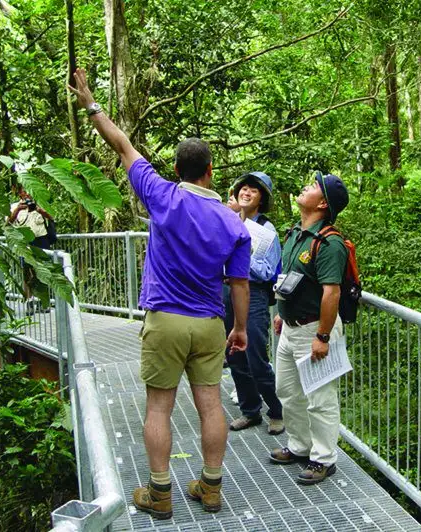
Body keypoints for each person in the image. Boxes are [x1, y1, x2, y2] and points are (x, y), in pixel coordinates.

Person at [69, 68, 252, 519]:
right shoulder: (234, 222)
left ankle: (160, 493)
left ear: (176, 169)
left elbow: (121, 144)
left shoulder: (161, 194)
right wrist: (240, 328)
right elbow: (240, 283)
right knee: (211, 404)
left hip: (165, 319)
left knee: (159, 406)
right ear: (212, 172)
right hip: (210, 323)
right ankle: (211, 488)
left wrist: (91, 102)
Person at [269, 171, 349, 485]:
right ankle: (300, 446)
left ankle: (324, 459)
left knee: (320, 398)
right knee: (287, 391)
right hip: (289, 328)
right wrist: (280, 313)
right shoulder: (295, 235)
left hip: (315, 329)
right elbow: (290, 279)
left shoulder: (330, 243)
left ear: (323, 204)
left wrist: (323, 336)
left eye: (314, 186)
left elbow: (332, 292)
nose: (307, 186)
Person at [223, 172, 284, 434]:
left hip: (254, 295)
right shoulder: (229, 222)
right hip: (227, 293)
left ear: (262, 199)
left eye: (253, 190)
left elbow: (268, 271)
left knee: (257, 357)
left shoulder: (267, 231)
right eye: (243, 188)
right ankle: (250, 411)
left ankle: (277, 411)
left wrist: (243, 254)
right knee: (234, 354)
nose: (246, 193)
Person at [7, 187, 54, 313]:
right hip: (25, 242)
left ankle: (43, 301)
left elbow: (53, 217)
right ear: (20, 193)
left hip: (41, 240)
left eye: (29, 190)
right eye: (24, 191)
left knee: (43, 271)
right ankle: (29, 301)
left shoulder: (41, 203)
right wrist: (18, 210)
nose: (27, 193)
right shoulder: (14, 206)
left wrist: (42, 212)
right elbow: (8, 223)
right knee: (27, 272)